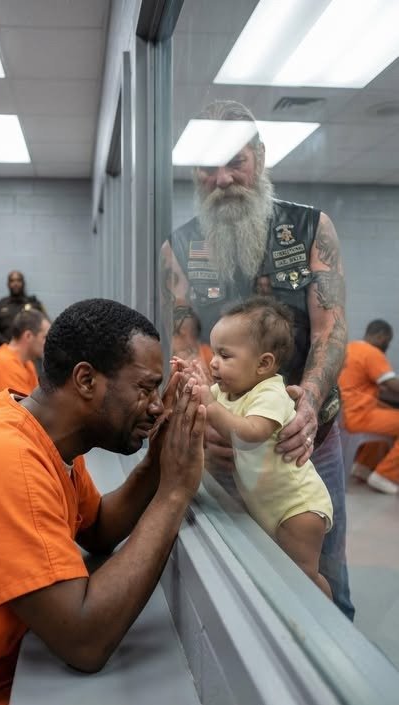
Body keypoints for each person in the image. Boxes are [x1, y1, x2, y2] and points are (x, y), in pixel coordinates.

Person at [0, 298, 206, 705]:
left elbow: (98, 527)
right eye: (145, 388)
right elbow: (84, 641)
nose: (156, 405)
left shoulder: (46, 436)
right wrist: (173, 493)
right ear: (86, 380)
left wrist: (156, 464)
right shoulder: (7, 461)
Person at [160, 99, 353, 619]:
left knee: (326, 575)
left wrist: (306, 406)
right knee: (248, 574)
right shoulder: (179, 248)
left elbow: (330, 330)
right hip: (232, 446)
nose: (223, 179)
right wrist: (206, 424)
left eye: (236, 163)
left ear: (260, 159)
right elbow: (182, 344)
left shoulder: (311, 229)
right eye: (208, 167)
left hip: (308, 440)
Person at [176, 297, 333, 597]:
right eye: (214, 352)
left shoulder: (271, 393)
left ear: (263, 364)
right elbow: (204, 401)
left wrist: (210, 405)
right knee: (283, 574)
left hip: (297, 507)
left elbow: (251, 433)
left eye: (225, 355)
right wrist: (192, 382)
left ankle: (325, 613)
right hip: (269, 504)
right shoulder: (228, 391)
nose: (213, 362)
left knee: (303, 576)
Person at [338, 319, 399, 494]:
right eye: (387, 341)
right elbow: (392, 384)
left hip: (342, 415)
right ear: (381, 336)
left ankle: (363, 467)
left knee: (387, 414)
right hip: (358, 415)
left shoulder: (349, 349)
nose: (387, 346)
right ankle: (385, 475)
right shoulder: (372, 353)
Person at [0, 309, 50, 415]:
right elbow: (26, 412)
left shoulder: (27, 363)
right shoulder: (4, 363)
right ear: (28, 336)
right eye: (44, 337)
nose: (48, 343)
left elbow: (38, 404)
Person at [0, 271, 47, 350]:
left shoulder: (34, 304)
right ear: (8, 284)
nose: (15, 283)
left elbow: (45, 327)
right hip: (4, 351)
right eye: (12, 281)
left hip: (28, 352)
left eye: (18, 280)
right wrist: (9, 345)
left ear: (23, 283)